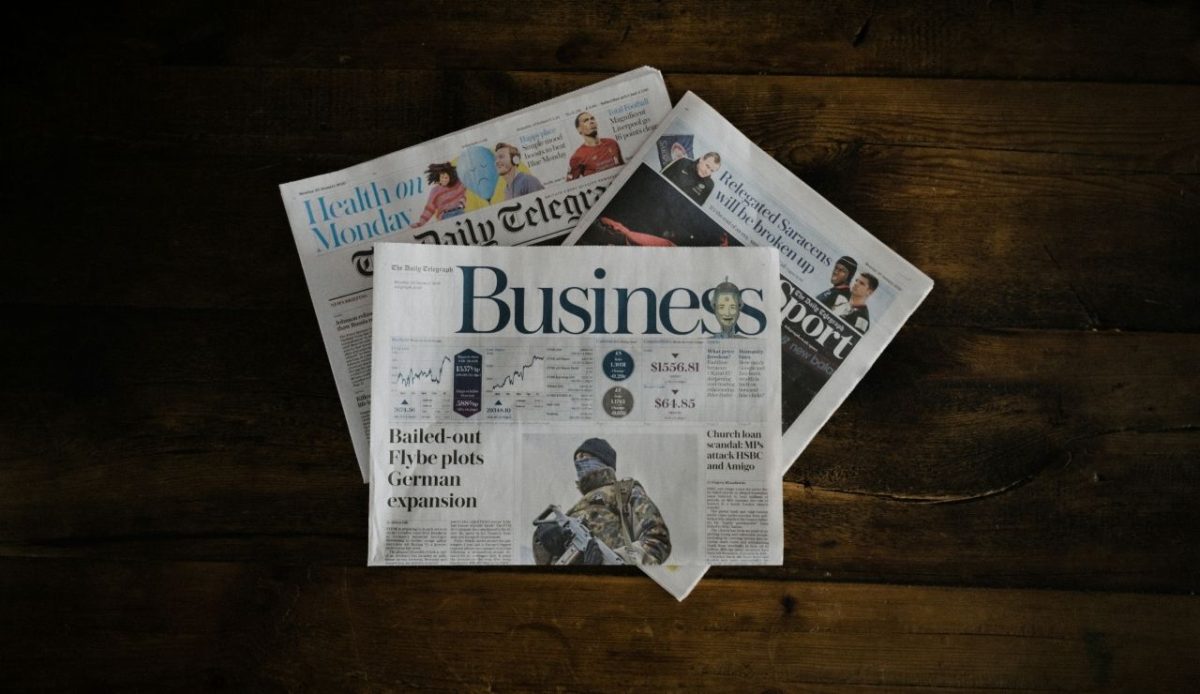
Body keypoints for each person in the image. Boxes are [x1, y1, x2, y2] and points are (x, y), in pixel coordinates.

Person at [532, 438, 671, 566]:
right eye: (576, 459)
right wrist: (546, 543)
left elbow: (658, 542)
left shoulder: (625, 492)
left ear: (602, 459)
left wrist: (609, 561)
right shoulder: (573, 512)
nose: (579, 463)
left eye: (584, 456)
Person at [566, 112, 624, 180]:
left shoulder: (612, 143)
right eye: (586, 120)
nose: (591, 121)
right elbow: (570, 183)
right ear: (579, 129)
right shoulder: (577, 156)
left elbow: (622, 166)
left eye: (592, 119)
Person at [410, 163, 466, 228]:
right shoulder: (435, 191)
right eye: (442, 177)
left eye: (446, 177)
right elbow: (429, 208)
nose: (444, 180)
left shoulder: (456, 185)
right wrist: (420, 223)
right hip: (445, 215)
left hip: (459, 212)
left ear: (450, 176)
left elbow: (463, 193)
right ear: (438, 177)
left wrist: (462, 203)